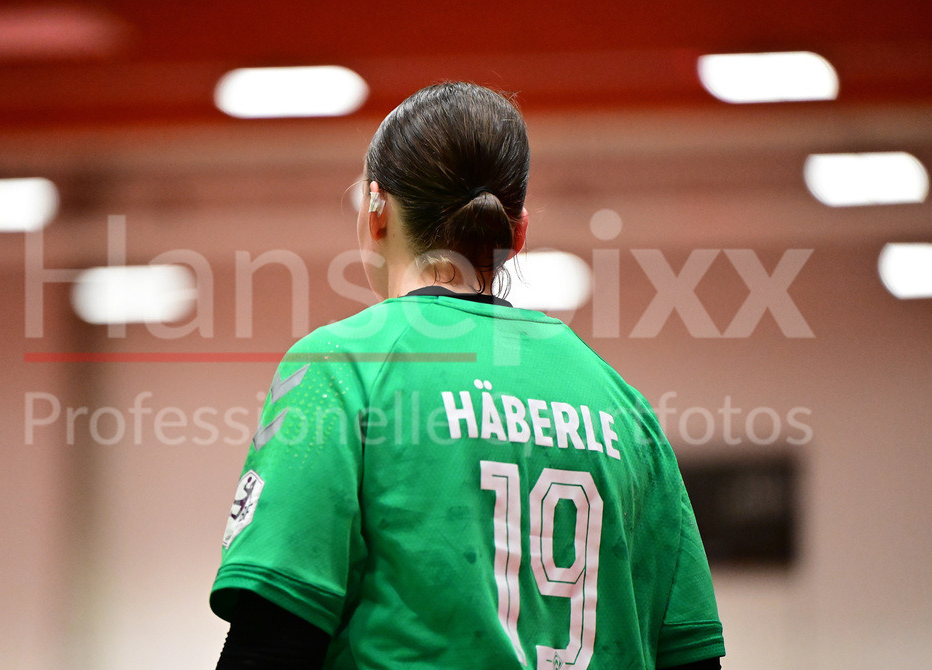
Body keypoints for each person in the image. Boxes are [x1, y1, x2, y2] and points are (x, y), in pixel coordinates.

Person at [210, 81, 725, 669]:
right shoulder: (621, 404)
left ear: (375, 211)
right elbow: (692, 657)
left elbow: (273, 639)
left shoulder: (341, 367)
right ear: (519, 232)